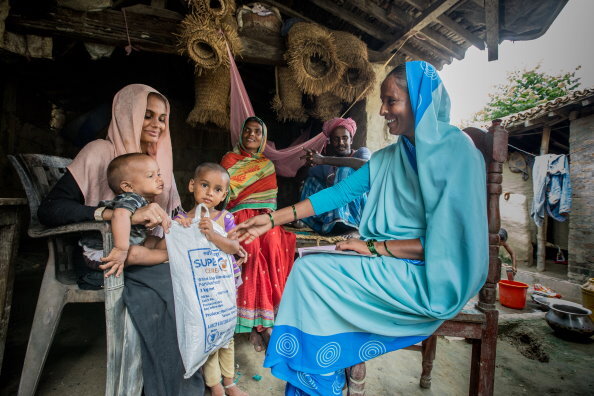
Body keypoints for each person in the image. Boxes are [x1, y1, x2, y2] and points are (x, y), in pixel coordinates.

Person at [230, 61, 488, 396]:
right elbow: (340, 192)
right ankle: (323, 374)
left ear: (419, 101)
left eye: (391, 101)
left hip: (436, 275)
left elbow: (449, 245)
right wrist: (271, 219)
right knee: (307, 266)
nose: (382, 110)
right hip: (397, 258)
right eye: (382, 101)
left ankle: (320, 378)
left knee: (314, 277)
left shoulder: (456, 153)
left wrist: (372, 248)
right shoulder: (394, 156)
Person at [37, 84, 205, 396]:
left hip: (139, 250)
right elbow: (51, 209)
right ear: (127, 113)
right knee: (174, 285)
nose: (157, 124)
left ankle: (182, 379)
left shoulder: (156, 161)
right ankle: (172, 387)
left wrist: (201, 227)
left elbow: (175, 214)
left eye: (163, 118)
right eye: (147, 115)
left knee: (194, 272)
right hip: (104, 256)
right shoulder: (100, 151)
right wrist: (113, 215)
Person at [220, 116, 296, 352]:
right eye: (248, 131)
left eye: (257, 132)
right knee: (250, 249)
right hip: (237, 216)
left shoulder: (267, 165)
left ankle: (264, 322)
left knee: (274, 241)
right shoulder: (229, 159)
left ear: (263, 138)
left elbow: (270, 202)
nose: (252, 135)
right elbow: (224, 194)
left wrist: (264, 216)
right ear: (241, 134)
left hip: (262, 217)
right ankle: (255, 324)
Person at [174, 162, 248, 396]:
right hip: (199, 290)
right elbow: (176, 246)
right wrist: (182, 227)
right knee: (208, 336)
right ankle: (214, 384)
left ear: (224, 195)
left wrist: (213, 234)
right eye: (204, 185)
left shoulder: (225, 218)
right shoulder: (182, 218)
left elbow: (234, 246)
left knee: (226, 334)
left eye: (217, 189)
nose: (209, 193)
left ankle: (229, 382)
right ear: (192, 185)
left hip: (224, 287)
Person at [79, 153, 169, 277]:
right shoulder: (130, 198)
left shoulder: (142, 200)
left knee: (153, 241)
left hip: (127, 244)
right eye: (150, 176)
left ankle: (167, 251)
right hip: (103, 253)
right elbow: (119, 215)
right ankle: (169, 255)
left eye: (158, 174)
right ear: (127, 186)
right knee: (135, 252)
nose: (159, 179)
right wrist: (121, 249)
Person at [299, 117, 370, 235]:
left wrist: (323, 159)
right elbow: (301, 178)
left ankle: (353, 228)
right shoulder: (327, 166)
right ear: (330, 142)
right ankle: (328, 226)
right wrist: (309, 162)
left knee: (345, 171)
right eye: (336, 139)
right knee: (310, 182)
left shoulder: (361, 152)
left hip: (362, 211)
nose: (341, 143)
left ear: (351, 140)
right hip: (334, 215)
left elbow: (365, 166)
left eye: (345, 138)